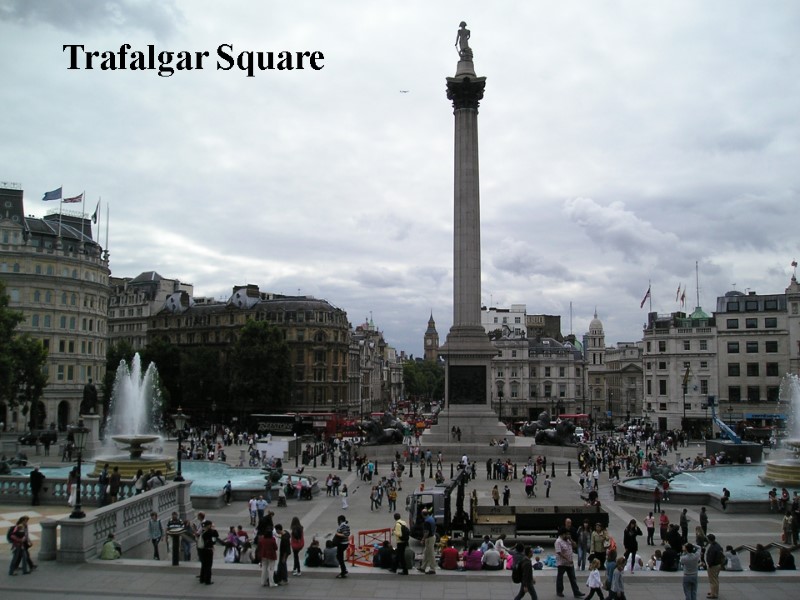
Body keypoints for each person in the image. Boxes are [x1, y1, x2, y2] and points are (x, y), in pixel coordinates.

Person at [555, 527, 585, 598]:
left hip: (570, 563)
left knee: (573, 578)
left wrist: (571, 540)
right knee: (560, 578)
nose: (567, 535)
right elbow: (559, 552)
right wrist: (567, 559)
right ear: (562, 534)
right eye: (566, 534)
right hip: (562, 563)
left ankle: (576, 592)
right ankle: (559, 591)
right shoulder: (558, 542)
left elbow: (575, 545)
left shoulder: (568, 540)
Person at [197, 519, 219, 585]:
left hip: (202, 550)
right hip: (208, 550)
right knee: (208, 566)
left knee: (203, 565)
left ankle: (202, 579)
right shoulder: (210, 532)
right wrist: (214, 529)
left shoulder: (203, 531)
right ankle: (207, 580)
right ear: (209, 525)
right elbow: (216, 536)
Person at [704, 533, 724, 599]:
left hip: (713, 565)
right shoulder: (718, 545)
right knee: (715, 579)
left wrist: (709, 564)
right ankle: (714, 591)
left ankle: (714, 594)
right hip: (718, 564)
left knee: (712, 580)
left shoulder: (713, 548)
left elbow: (711, 557)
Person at [419, 508, 436, 574]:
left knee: (431, 553)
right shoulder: (431, 518)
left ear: (422, 514)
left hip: (429, 538)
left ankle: (432, 569)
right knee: (426, 553)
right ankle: (423, 567)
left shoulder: (426, 521)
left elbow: (426, 532)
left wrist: (423, 539)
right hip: (432, 536)